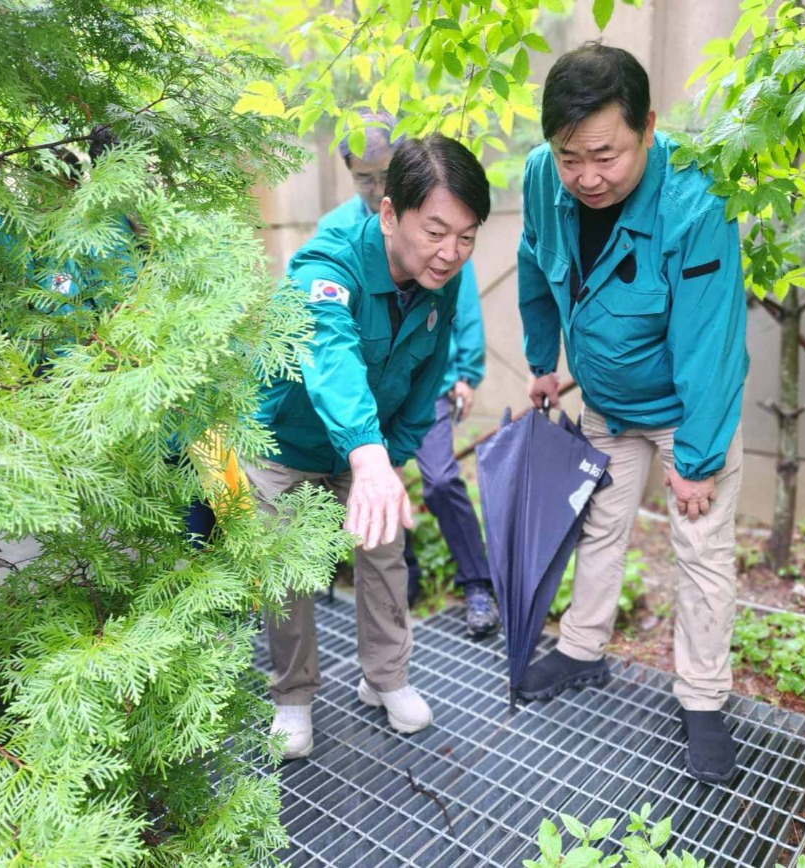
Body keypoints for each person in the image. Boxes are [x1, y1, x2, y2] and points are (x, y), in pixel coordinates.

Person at [515, 43, 749, 784]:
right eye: (568, 157)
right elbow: (531, 260)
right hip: (607, 407)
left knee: (701, 549)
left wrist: (701, 459)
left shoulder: (696, 201)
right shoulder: (538, 179)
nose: (586, 177)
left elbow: (712, 340)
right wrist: (542, 359)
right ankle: (584, 649)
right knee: (598, 527)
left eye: (606, 155)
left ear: (648, 127)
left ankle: (704, 699)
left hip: (686, 411)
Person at [245, 133, 491, 760]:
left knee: (385, 553)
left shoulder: (446, 279)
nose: (450, 253)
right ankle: (292, 695)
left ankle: (386, 678)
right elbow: (330, 353)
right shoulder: (326, 265)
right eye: (436, 231)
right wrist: (368, 452)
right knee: (288, 570)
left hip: (368, 449)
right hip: (287, 444)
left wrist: (393, 451)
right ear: (389, 213)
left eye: (467, 237)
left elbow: (428, 369)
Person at [318, 110, 500, 640]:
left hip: (426, 378)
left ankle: (477, 584)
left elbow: (458, 300)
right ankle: (408, 579)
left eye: (385, 173)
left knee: (441, 477)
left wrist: (466, 371)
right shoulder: (335, 232)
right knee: (374, 482)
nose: (375, 188)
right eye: (363, 177)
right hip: (362, 393)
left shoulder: (437, 222)